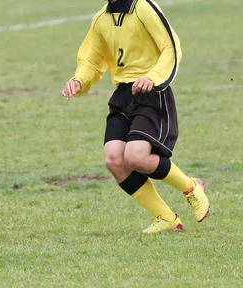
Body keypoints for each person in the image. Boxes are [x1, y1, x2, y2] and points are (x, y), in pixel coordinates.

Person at [61, 0, 211, 233]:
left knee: (136, 157)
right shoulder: (102, 18)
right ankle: (165, 217)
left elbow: (171, 47)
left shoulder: (144, 8)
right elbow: (92, 61)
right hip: (123, 95)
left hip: (151, 93)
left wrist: (153, 77)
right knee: (114, 160)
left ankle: (191, 187)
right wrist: (78, 80)